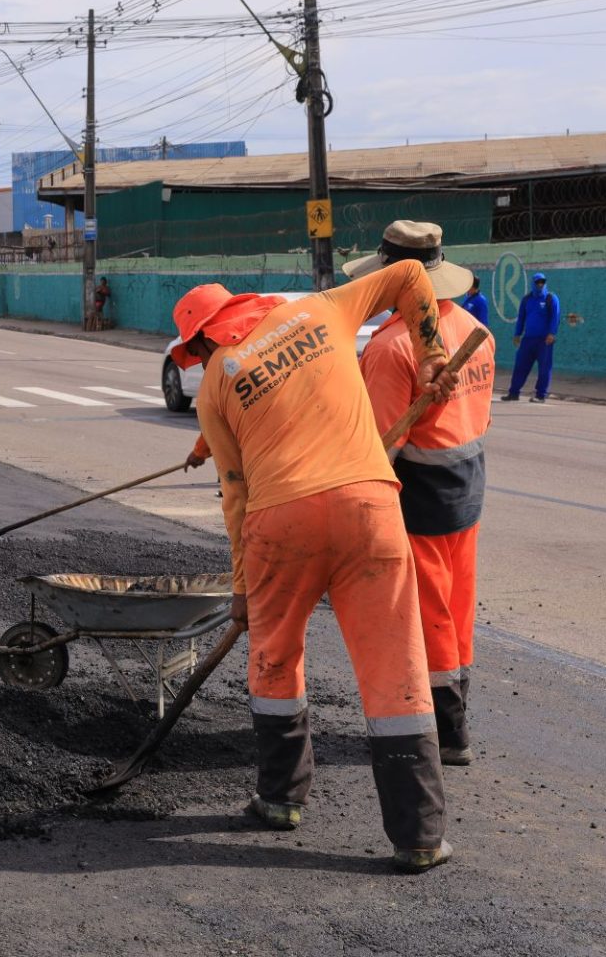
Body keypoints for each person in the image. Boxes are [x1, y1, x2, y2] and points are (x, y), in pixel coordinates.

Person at [172, 255, 460, 873]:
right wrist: (431, 354)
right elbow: (411, 273)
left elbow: (237, 493)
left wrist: (243, 589)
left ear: (204, 338)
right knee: (395, 668)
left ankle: (279, 799)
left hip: (281, 525)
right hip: (369, 508)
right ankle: (419, 836)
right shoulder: (320, 308)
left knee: (275, 656)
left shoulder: (218, 380)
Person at [353, 221, 495, 768]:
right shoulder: (472, 328)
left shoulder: (392, 347)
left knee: (430, 615)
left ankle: (446, 733)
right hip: (468, 486)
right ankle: (457, 720)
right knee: (457, 611)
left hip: (421, 498)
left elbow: (383, 444)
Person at [503, 273, 561, 402]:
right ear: (533, 283)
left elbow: (555, 317)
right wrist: (517, 334)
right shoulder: (526, 300)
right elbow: (521, 317)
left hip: (544, 341)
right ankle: (514, 393)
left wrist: (552, 333)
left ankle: (541, 395)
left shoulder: (551, 298)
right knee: (520, 366)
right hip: (528, 340)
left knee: (544, 368)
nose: (540, 284)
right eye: (538, 282)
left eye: (542, 282)